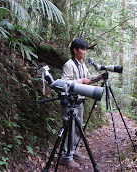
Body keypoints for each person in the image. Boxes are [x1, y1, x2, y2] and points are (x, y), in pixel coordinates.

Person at [60, 38, 104, 168]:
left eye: (86, 50)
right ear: (75, 50)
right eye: (83, 49)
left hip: (80, 100)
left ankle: (75, 151)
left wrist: (100, 77)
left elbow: (88, 80)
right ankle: (66, 157)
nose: (85, 52)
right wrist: (80, 81)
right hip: (69, 102)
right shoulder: (69, 64)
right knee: (69, 129)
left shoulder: (82, 64)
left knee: (78, 127)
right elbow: (64, 83)